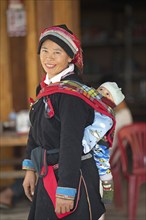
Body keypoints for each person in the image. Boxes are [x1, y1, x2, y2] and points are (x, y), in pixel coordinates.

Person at [22, 24, 106, 220]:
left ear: (70, 57)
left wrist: (66, 190)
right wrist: (30, 169)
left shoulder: (71, 95)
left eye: (57, 52)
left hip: (72, 178)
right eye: (44, 50)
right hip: (48, 174)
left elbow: (70, 143)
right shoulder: (45, 88)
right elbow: (36, 131)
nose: (48, 57)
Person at [82, 82, 125, 204]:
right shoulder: (92, 102)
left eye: (108, 94)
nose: (103, 94)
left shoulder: (106, 115)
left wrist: (84, 144)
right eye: (101, 89)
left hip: (99, 143)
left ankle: (108, 188)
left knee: (103, 165)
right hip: (89, 141)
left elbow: (96, 130)